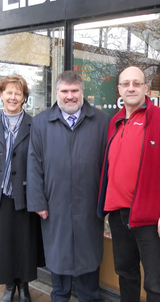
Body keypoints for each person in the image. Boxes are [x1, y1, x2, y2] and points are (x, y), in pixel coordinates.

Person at [97, 66, 160, 302]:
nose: (131, 88)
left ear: (146, 88)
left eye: (136, 83)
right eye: (126, 84)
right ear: (119, 90)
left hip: (149, 217)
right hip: (117, 215)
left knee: (155, 282)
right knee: (125, 274)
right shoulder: (115, 121)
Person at [27, 70, 109, 302]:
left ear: (83, 93)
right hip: (55, 205)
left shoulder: (101, 121)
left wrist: (107, 202)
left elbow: (109, 165)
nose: (70, 96)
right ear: (57, 93)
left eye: (75, 91)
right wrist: (38, 202)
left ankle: (89, 297)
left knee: (89, 256)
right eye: (65, 91)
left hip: (90, 206)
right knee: (59, 256)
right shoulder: (42, 122)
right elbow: (33, 164)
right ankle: (60, 296)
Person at [0, 75, 45, 302]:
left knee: (24, 243)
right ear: (1, 94)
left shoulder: (35, 126)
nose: (13, 97)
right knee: (4, 243)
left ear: (24, 98)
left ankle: (23, 286)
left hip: (25, 196)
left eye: (18, 93)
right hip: (0, 197)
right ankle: (8, 286)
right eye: (9, 92)